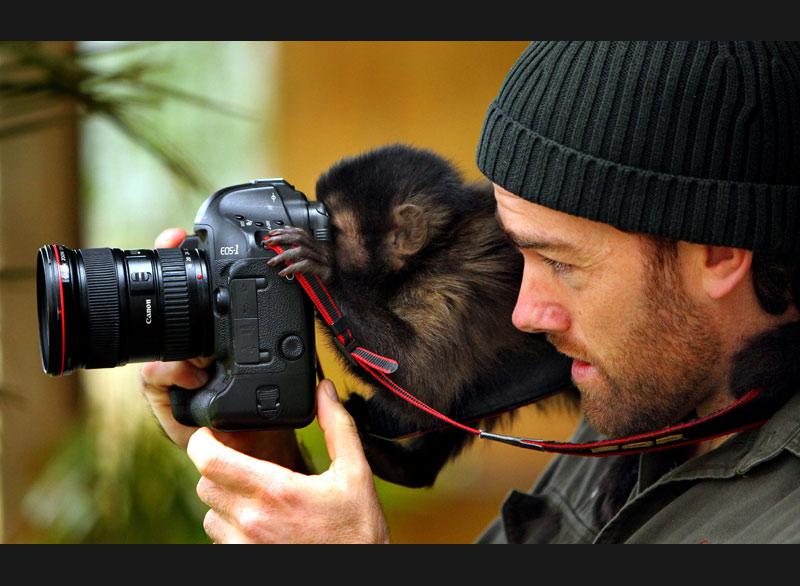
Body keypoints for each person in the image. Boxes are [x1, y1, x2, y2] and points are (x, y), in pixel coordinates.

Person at [140, 41, 800, 543]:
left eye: (562, 263)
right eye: (518, 252)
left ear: (717, 253)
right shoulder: (641, 399)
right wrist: (272, 460)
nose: (524, 312)